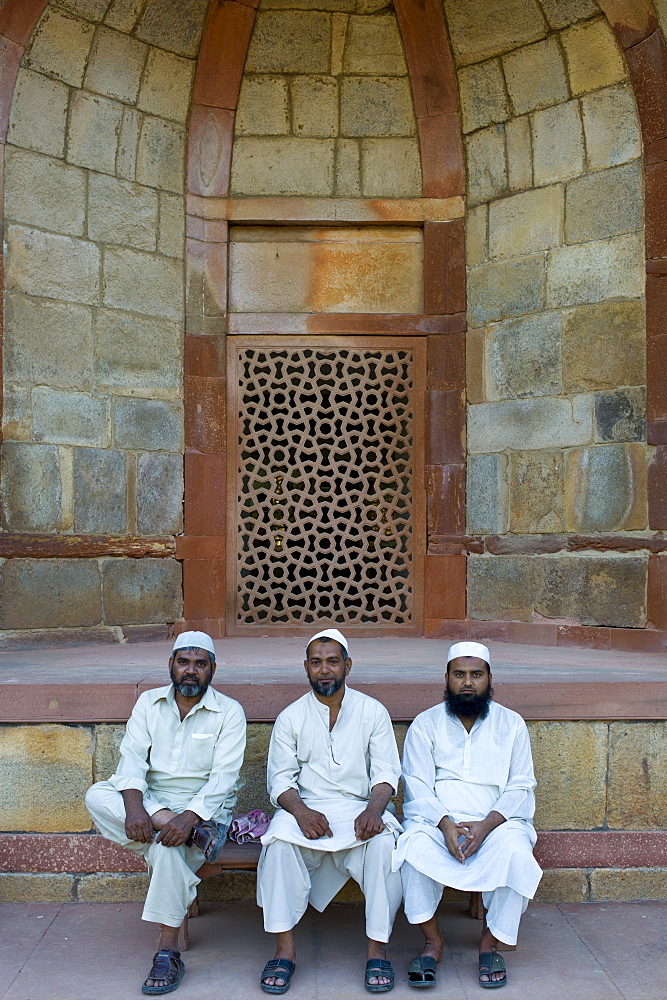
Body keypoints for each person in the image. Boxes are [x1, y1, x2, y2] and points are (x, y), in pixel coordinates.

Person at [85, 631, 246, 995]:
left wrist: (188, 819)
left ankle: (168, 950)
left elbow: (223, 780)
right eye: (184, 662)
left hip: (205, 810)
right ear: (170, 665)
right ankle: (188, 837)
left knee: (165, 848)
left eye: (200, 664)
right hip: (155, 802)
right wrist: (137, 808)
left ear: (213, 669)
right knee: (97, 793)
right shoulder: (148, 703)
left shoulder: (230, 712)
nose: (191, 671)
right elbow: (131, 762)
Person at [256, 628, 403, 995]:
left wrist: (374, 810)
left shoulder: (373, 711)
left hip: (359, 810)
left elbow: (386, 772)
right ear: (306, 668)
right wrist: (302, 813)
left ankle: (377, 949)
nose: (325, 670)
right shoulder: (290, 717)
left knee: (385, 847)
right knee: (276, 846)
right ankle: (284, 951)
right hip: (307, 811)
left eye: (333, 662)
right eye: (317, 663)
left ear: (347, 666)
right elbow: (279, 780)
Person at [393, 641, 542, 990]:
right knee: (411, 851)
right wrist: (445, 824)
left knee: (516, 853)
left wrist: (488, 825)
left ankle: (490, 944)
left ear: (490, 678)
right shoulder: (425, 724)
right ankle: (432, 942)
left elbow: (521, 784)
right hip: (437, 822)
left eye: (476, 674)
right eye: (459, 674)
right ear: (446, 678)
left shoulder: (512, 724)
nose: (468, 682)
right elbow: (416, 784)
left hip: (497, 822)